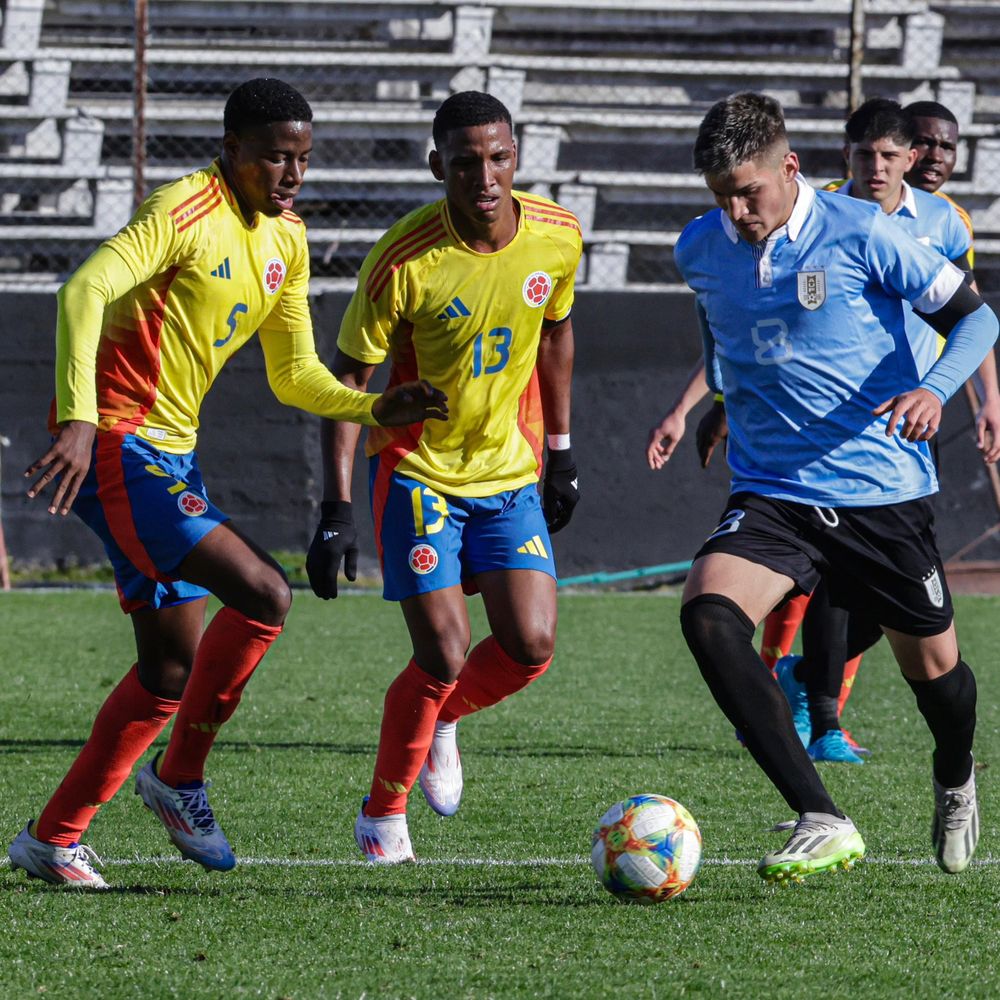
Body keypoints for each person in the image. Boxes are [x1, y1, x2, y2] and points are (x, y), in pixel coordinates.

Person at [7, 78, 447, 889]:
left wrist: (372, 405)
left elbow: (294, 373)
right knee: (264, 593)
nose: (291, 174)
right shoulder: (183, 208)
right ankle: (179, 779)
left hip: (172, 457)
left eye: (303, 158)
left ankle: (52, 838)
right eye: (275, 156)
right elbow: (84, 289)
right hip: (121, 444)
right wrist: (78, 417)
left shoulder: (288, 239)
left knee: (168, 671)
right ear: (232, 148)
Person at [675, 92, 997, 882]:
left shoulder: (862, 233)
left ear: (790, 167)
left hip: (878, 490)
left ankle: (956, 774)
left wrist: (936, 390)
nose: (736, 212)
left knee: (939, 682)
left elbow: (977, 320)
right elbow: (720, 328)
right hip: (773, 489)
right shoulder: (699, 246)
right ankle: (821, 815)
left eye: (749, 192)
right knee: (709, 617)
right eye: (721, 196)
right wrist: (718, 402)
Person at [306, 90, 582, 864]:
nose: (484, 178)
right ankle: (382, 815)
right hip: (419, 471)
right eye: (465, 164)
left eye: (498, 159)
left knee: (530, 644)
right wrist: (335, 509)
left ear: (516, 157)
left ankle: (443, 719)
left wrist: (562, 451)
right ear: (438, 167)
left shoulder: (558, 236)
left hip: (508, 471)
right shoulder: (403, 260)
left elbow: (556, 335)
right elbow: (347, 382)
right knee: (443, 651)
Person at [774, 98, 1000, 764]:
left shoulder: (945, 221)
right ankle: (822, 718)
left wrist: (986, 397)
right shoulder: (817, 214)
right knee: (837, 572)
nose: (884, 164)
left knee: (887, 585)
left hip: (912, 422)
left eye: (898, 152)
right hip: (837, 422)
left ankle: (801, 675)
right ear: (847, 155)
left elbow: (967, 313)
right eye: (866, 153)